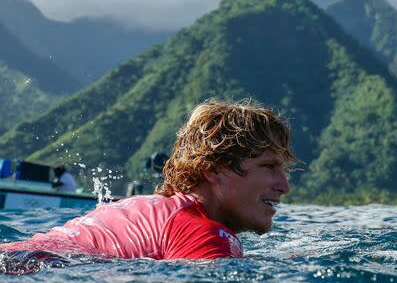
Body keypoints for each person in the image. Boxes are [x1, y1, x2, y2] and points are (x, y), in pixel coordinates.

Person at [0, 99, 294, 260]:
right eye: (268, 167)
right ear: (213, 169)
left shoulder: (145, 208)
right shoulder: (202, 234)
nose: (284, 185)